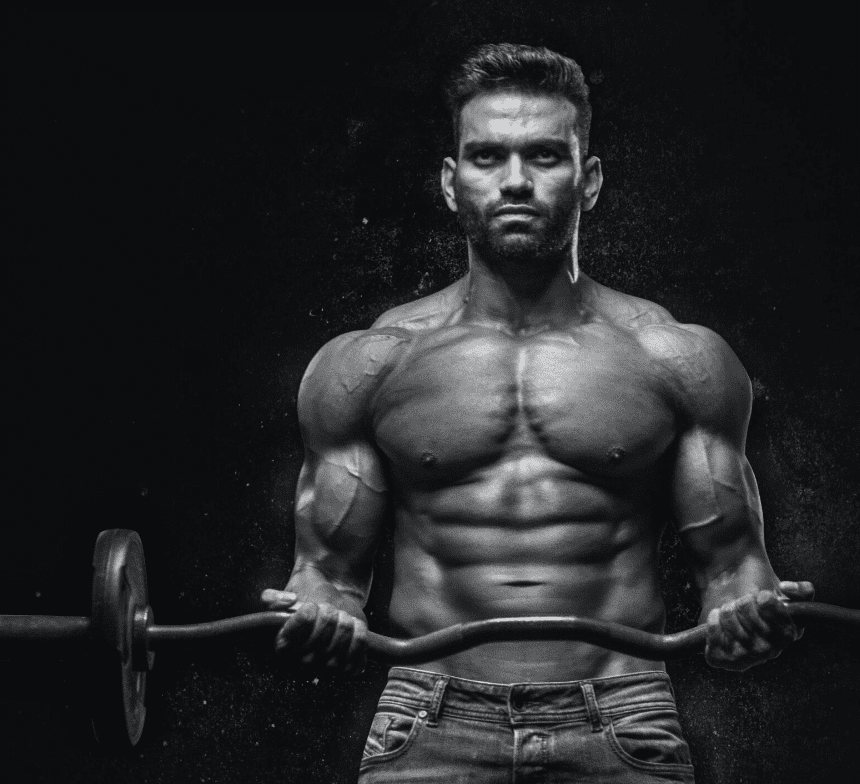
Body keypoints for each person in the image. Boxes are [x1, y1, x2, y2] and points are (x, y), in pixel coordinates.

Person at [261, 42, 813, 783]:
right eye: (488, 158)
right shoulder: (368, 365)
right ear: (452, 184)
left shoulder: (675, 359)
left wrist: (747, 620)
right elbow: (325, 575)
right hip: (428, 719)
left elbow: (735, 572)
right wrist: (319, 615)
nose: (515, 181)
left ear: (587, 180)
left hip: (622, 715)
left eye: (545, 156)